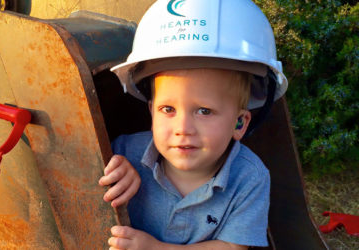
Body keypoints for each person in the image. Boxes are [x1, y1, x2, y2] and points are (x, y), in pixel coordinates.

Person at [99, 0, 288, 249]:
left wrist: (157, 248)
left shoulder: (249, 177)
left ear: (240, 123)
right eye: (168, 109)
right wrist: (111, 172)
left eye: (204, 111)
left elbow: (232, 247)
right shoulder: (124, 150)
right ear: (151, 112)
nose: (183, 128)